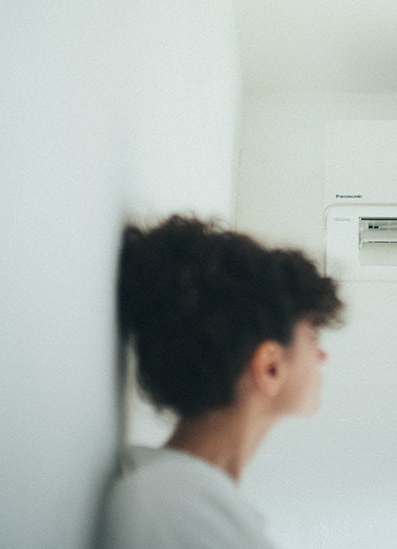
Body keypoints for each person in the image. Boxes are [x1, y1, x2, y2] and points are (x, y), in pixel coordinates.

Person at [101, 215, 343, 549]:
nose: (323, 357)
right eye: (313, 336)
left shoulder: (182, 498)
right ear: (270, 366)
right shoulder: (176, 507)